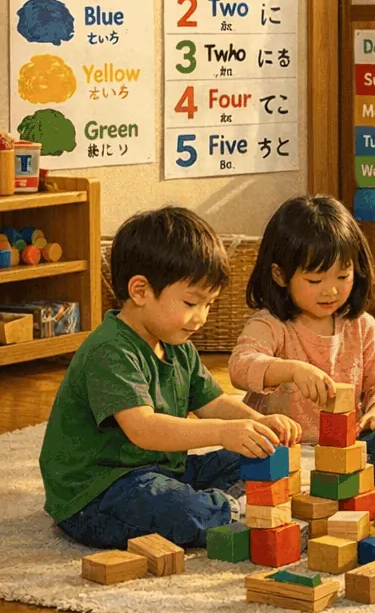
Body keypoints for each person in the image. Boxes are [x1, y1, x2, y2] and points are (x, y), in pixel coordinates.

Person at [40, 207, 301, 549]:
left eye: (209, 304)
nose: (201, 318)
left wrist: (259, 422)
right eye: (192, 302)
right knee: (175, 505)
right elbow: (144, 428)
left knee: (256, 453)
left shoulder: (178, 345)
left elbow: (214, 403)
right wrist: (225, 432)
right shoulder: (110, 350)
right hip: (98, 492)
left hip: (160, 470)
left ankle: (227, 505)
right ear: (140, 291)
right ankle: (230, 512)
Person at [229, 194, 375, 484]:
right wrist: (291, 369)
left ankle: (354, 485)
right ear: (280, 275)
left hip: (348, 452)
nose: (330, 291)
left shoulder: (361, 326)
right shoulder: (270, 325)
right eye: (315, 281)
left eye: (343, 276)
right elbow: (240, 367)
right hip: (285, 456)